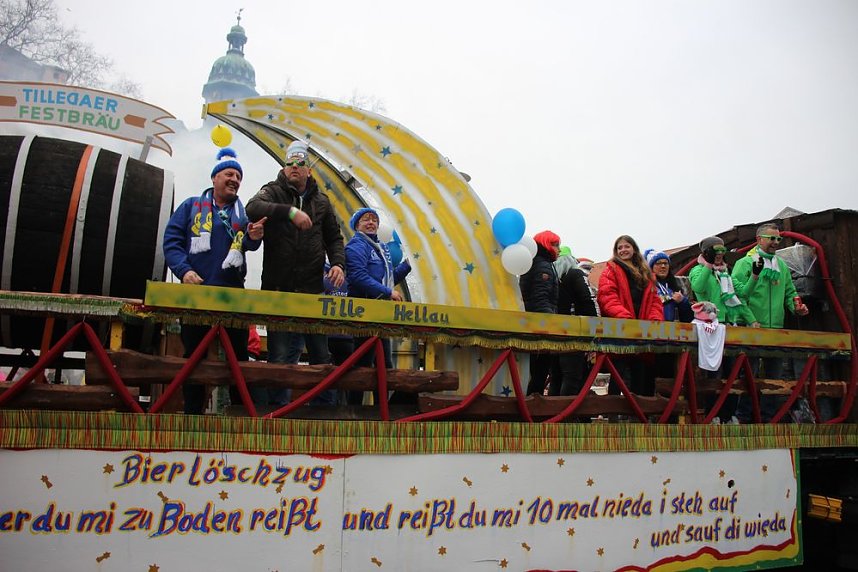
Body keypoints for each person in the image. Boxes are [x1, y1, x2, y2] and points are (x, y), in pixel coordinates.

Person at [163, 147, 265, 414]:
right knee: (194, 356)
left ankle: (241, 414)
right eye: (229, 174)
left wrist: (254, 236)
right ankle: (193, 415)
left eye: (239, 177)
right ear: (215, 178)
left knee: (239, 358)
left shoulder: (242, 215)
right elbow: (172, 242)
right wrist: (184, 271)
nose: (235, 180)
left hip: (232, 295)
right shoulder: (190, 207)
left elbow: (249, 247)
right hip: (197, 295)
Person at [245, 140, 345, 406]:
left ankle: (323, 414)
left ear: (309, 170)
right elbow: (252, 208)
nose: (294, 168)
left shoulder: (322, 201)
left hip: (312, 291)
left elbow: (334, 238)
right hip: (279, 290)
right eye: (289, 163)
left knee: (320, 356)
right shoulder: (272, 190)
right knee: (278, 356)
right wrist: (290, 212)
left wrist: (338, 264)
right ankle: (278, 414)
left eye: (300, 163)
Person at [732, 223, 809, 422]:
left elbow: (790, 293)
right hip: (751, 330)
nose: (775, 243)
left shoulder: (781, 265)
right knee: (749, 376)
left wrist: (797, 307)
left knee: (774, 379)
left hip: (776, 331)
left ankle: (768, 419)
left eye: (778, 239)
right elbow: (736, 296)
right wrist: (751, 321)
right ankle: (743, 418)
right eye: (771, 238)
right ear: (759, 239)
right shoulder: (745, 263)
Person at [345, 207, 412, 403]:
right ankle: (353, 410)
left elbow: (388, 280)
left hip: (380, 315)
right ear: (357, 225)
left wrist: (407, 265)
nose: (371, 222)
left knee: (385, 365)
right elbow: (357, 276)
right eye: (366, 219)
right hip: (364, 313)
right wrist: (387, 292)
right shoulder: (356, 246)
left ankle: (382, 411)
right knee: (362, 366)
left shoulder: (380, 248)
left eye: (374, 219)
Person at [689, 236, 758, 423]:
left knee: (732, 374)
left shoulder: (726, 273)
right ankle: (714, 414)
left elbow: (741, 295)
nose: (719, 255)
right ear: (706, 253)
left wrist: (754, 276)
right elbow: (697, 286)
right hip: (710, 327)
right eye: (715, 252)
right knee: (714, 373)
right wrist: (708, 265)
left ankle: (729, 415)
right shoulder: (698, 270)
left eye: (722, 252)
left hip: (729, 326)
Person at [597, 235, 663, 396]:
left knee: (640, 373)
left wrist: (654, 320)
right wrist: (624, 318)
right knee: (619, 372)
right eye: (619, 248)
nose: (623, 250)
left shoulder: (646, 273)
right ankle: (614, 414)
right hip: (621, 330)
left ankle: (638, 414)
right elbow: (607, 296)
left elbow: (655, 300)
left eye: (626, 246)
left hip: (642, 332)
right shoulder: (610, 270)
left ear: (634, 249)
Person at [519, 230, 561, 396]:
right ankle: (532, 407)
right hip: (541, 326)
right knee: (539, 371)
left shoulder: (536, 262)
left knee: (536, 371)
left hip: (533, 323)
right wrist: (550, 326)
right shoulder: (542, 265)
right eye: (556, 245)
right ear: (547, 245)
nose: (558, 249)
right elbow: (541, 298)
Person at [552, 250, 598, 396]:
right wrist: (596, 326)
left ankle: (552, 413)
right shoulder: (575, 274)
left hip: (553, 332)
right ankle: (567, 414)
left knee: (556, 377)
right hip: (575, 331)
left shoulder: (551, 277)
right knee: (573, 377)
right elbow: (587, 299)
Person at [645, 249, 693, 323]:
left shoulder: (676, 286)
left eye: (665, 263)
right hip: (652, 328)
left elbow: (688, 318)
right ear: (651, 267)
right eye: (658, 263)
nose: (663, 266)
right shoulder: (646, 285)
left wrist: (683, 301)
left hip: (673, 330)